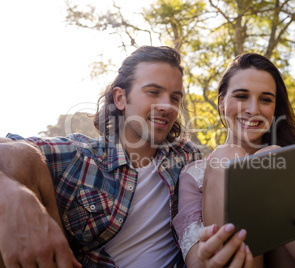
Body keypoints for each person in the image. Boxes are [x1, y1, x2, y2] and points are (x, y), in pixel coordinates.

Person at [0, 46, 208, 267]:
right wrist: (9, 192)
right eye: (154, 92)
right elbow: (10, 149)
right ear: (120, 98)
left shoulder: (186, 156)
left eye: (175, 98)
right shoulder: (79, 157)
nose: (167, 106)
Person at [173, 53, 295, 267]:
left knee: (271, 157)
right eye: (242, 96)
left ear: (274, 108)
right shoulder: (195, 173)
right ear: (222, 102)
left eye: (265, 99)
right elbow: (196, 261)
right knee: (228, 156)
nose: (253, 110)